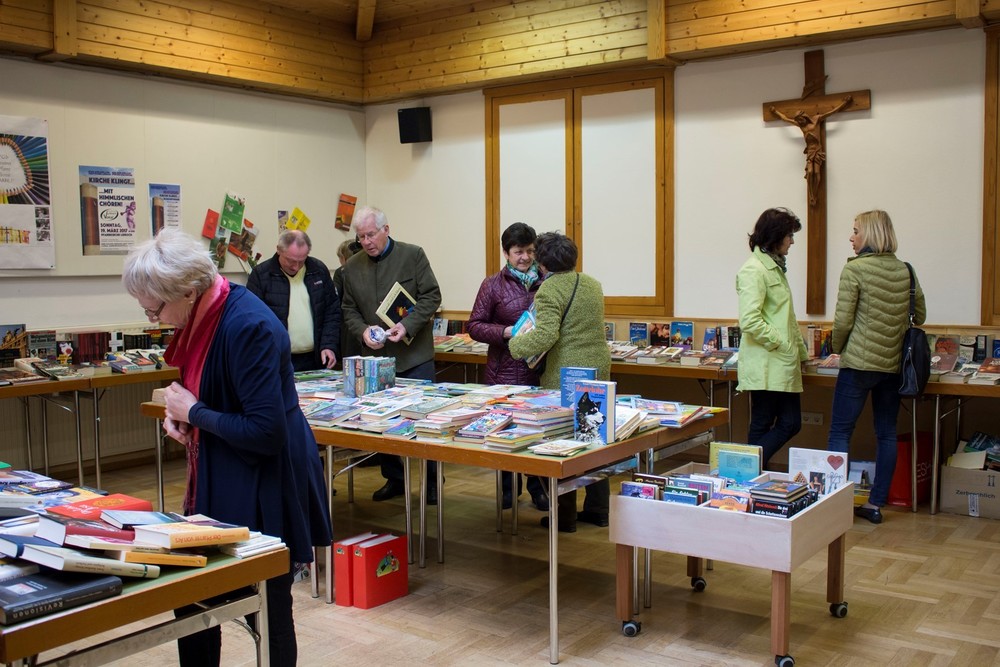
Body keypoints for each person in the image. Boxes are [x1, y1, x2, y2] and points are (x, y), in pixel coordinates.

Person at [121, 228, 331, 666]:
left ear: (187, 290)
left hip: (264, 477)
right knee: (195, 595)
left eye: (155, 309)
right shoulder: (206, 314)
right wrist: (181, 415)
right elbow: (213, 392)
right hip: (226, 468)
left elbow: (265, 431)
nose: (154, 319)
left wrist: (195, 412)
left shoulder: (246, 325)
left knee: (267, 605)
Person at [827, 210, 925, 525]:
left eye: (856, 231)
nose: (851, 237)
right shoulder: (906, 270)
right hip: (892, 366)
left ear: (870, 234)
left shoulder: (855, 269)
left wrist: (836, 349)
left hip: (857, 365)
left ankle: (834, 504)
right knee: (886, 433)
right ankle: (875, 504)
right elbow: (920, 315)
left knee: (841, 431)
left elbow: (843, 321)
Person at [508, 232, 611, 533]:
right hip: (598, 367)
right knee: (594, 436)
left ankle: (564, 517)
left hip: (567, 372)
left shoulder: (549, 289)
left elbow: (546, 335)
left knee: (563, 440)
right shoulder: (592, 284)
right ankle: (599, 510)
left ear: (541, 263)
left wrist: (515, 344)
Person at [340, 206, 443, 503]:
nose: (366, 241)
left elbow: (432, 296)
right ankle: (394, 477)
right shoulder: (352, 266)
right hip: (376, 359)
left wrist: (407, 325)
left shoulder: (413, 255)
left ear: (386, 229)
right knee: (379, 421)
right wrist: (362, 332)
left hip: (414, 356)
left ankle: (432, 481)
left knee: (424, 420)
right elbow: (348, 309)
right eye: (361, 237)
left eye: (371, 234)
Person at [467, 222, 549, 512]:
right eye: (518, 252)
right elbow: (474, 326)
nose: (525, 257)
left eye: (530, 251)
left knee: (538, 432)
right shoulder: (492, 285)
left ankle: (538, 488)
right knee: (504, 432)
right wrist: (506, 332)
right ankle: (507, 489)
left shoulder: (548, 281)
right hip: (503, 372)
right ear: (506, 253)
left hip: (539, 371)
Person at [735, 207, 809, 470]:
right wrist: (780, 343)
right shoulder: (754, 269)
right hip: (766, 362)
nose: (792, 242)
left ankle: (749, 471)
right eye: (789, 235)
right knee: (768, 423)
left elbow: (787, 318)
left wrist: (801, 354)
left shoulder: (776, 268)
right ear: (775, 236)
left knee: (789, 423)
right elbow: (750, 320)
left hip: (781, 361)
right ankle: (747, 470)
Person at [246, 229, 341, 372]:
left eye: (301, 261)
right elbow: (253, 320)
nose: (296, 267)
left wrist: (329, 345)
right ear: (279, 250)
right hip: (277, 359)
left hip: (316, 358)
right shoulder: (261, 275)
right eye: (290, 261)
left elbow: (332, 311)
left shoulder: (318, 270)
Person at [771, 95, 852, 205]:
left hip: (817, 150)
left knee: (816, 172)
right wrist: (775, 112)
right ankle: (811, 194)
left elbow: (832, 112)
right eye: (798, 121)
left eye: (800, 119)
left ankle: (815, 193)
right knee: (810, 172)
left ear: (804, 116)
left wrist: (845, 103)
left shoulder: (816, 120)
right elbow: (785, 119)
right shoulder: (801, 126)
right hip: (809, 151)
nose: (800, 122)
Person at [332, 238, 364, 366]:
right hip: (367, 322)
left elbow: (336, 298)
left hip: (349, 325)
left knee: (351, 364)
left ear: (344, 258)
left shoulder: (341, 272)